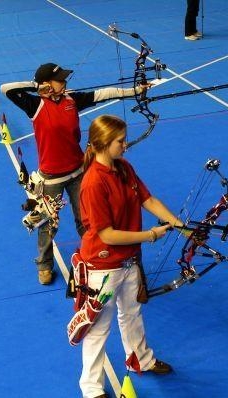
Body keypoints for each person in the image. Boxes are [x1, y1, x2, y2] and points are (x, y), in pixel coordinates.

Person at [0, 62, 150, 285]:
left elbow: (103, 94)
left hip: (79, 171)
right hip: (51, 176)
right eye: (59, 79)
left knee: (87, 220)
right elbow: (6, 88)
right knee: (47, 223)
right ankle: (44, 264)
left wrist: (135, 91)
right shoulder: (35, 104)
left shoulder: (72, 100)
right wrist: (35, 86)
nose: (64, 82)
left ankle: (96, 258)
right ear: (47, 84)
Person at [77, 114, 182, 398]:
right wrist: (150, 236)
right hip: (103, 266)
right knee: (98, 328)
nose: (126, 145)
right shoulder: (93, 182)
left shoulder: (123, 168)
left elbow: (147, 199)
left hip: (129, 261)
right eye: (120, 141)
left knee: (132, 314)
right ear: (102, 144)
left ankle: (141, 360)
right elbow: (107, 234)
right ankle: (91, 388)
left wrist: (180, 225)